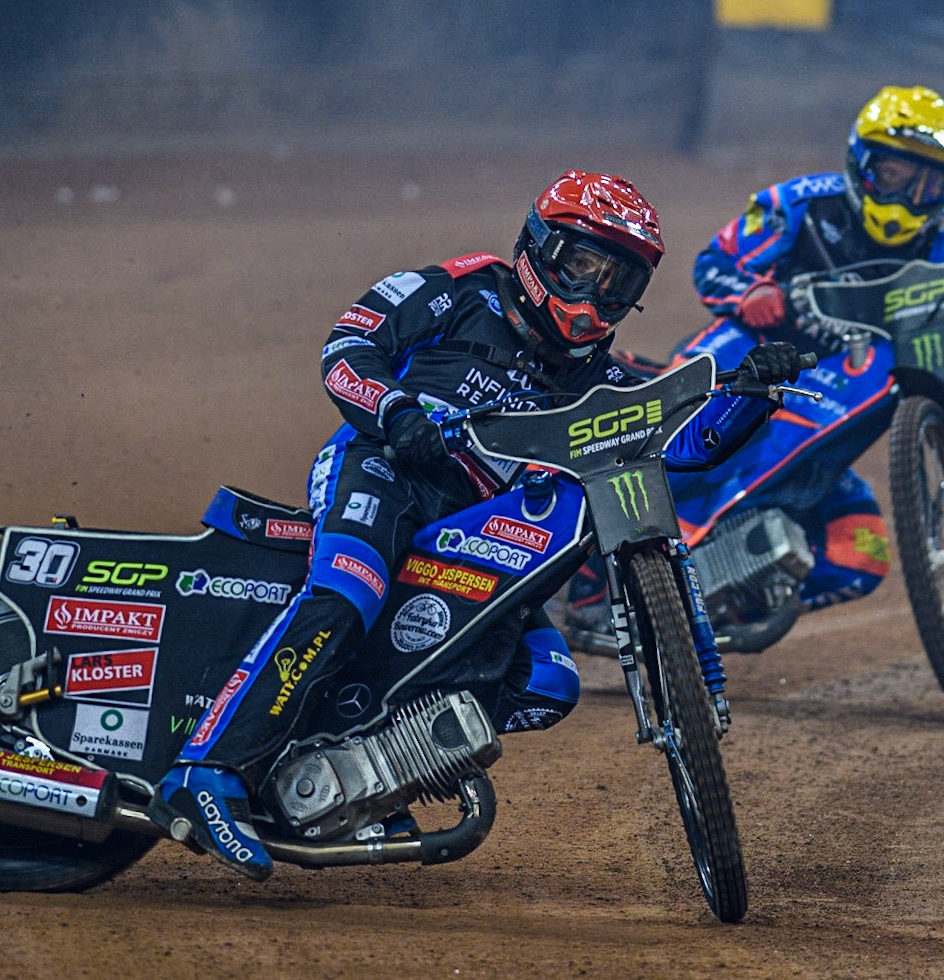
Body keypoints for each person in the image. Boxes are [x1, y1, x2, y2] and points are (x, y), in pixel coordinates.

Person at [150, 170, 807, 880]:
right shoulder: (460, 289)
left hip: (481, 531)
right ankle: (204, 769)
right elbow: (345, 348)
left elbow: (684, 448)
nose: (592, 294)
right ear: (536, 248)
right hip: (384, 471)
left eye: (617, 281)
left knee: (546, 682)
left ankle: (357, 773)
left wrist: (751, 394)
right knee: (348, 589)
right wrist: (397, 415)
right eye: (580, 264)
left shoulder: (603, 381)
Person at [565, 85, 944, 629]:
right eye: (895, 174)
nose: (907, 197)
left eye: (929, 183)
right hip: (752, 358)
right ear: (860, 162)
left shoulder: (942, 243)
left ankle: (713, 603)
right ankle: (588, 562)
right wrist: (750, 296)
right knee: (685, 440)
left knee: (861, 555)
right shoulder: (799, 205)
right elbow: (714, 264)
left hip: (833, 399)